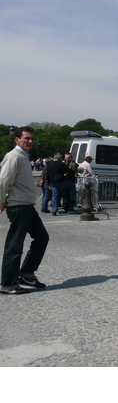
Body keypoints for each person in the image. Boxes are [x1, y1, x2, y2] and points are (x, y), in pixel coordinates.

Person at [0, 126, 50, 294]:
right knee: (14, 245)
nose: (30, 141)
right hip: (18, 205)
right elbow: (3, 181)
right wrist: (1, 201)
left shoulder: (23, 157)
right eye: (26, 138)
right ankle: (8, 284)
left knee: (42, 237)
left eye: (31, 139)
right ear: (17, 139)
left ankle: (27, 273)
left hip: (26, 205)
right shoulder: (14, 156)